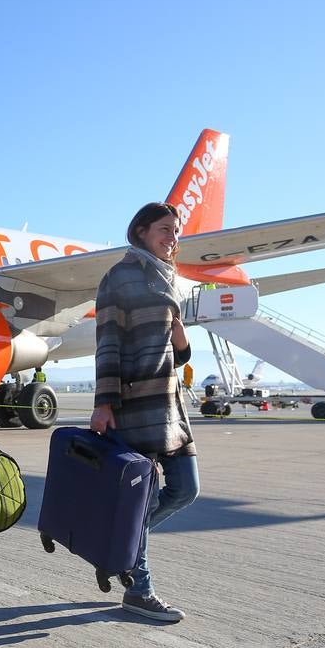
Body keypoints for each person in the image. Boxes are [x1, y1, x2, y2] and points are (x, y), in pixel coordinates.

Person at [90, 202, 200, 623]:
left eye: (176, 230)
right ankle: (139, 590)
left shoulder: (168, 277)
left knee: (186, 488)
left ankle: (116, 546)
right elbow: (108, 342)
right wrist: (104, 403)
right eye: (165, 229)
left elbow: (179, 354)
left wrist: (180, 334)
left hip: (171, 404)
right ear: (141, 231)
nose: (173, 237)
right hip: (136, 403)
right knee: (141, 501)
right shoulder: (120, 276)